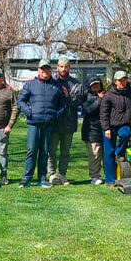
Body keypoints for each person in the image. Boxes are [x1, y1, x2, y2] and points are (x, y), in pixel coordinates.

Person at [17, 59, 67, 189]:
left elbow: (63, 104)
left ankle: (42, 179)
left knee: (45, 152)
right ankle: (26, 179)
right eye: (42, 69)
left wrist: (56, 114)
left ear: (51, 70)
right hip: (34, 123)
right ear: (38, 70)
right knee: (31, 151)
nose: (45, 71)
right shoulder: (30, 85)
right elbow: (21, 101)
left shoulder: (56, 86)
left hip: (48, 124)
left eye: (47, 69)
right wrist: (29, 112)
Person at [99, 70, 131, 185]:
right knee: (108, 153)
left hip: (124, 124)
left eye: (124, 80)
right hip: (110, 126)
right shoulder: (109, 95)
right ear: (115, 82)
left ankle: (119, 153)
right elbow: (103, 114)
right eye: (120, 80)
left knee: (125, 134)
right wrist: (106, 128)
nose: (122, 82)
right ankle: (110, 180)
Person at [46, 56, 83, 185]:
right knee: (52, 151)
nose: (63, 69)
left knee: (65, 152)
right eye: (61, 66)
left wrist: (67, 98)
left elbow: (77, 101)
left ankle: (63, 174)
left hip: (69, 122)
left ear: (69, 68)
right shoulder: (52, 82)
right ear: (57, 68)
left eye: (66, 67)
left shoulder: (76, 83)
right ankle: (52, 174)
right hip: (54, 123)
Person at [80, 76, 105, 185]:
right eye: (93, 85)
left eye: (97, 84)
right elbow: (88, 110)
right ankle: (94, 176)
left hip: (104, 129)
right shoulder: (85, 97)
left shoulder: (106, 95)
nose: (96, 86)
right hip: (91, 130)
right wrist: (99, 100)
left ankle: (109, 174)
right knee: (95, 154)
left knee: (107, 153)